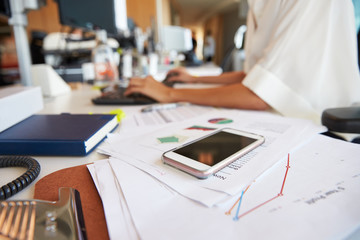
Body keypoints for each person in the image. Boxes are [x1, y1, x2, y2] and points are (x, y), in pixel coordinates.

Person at [125, 0, 360, 123]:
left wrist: (170, 94)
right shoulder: (257, 4)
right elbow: (256, 75)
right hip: (281, 119)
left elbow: (260, 94)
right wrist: (194, 79)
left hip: (321, 125)